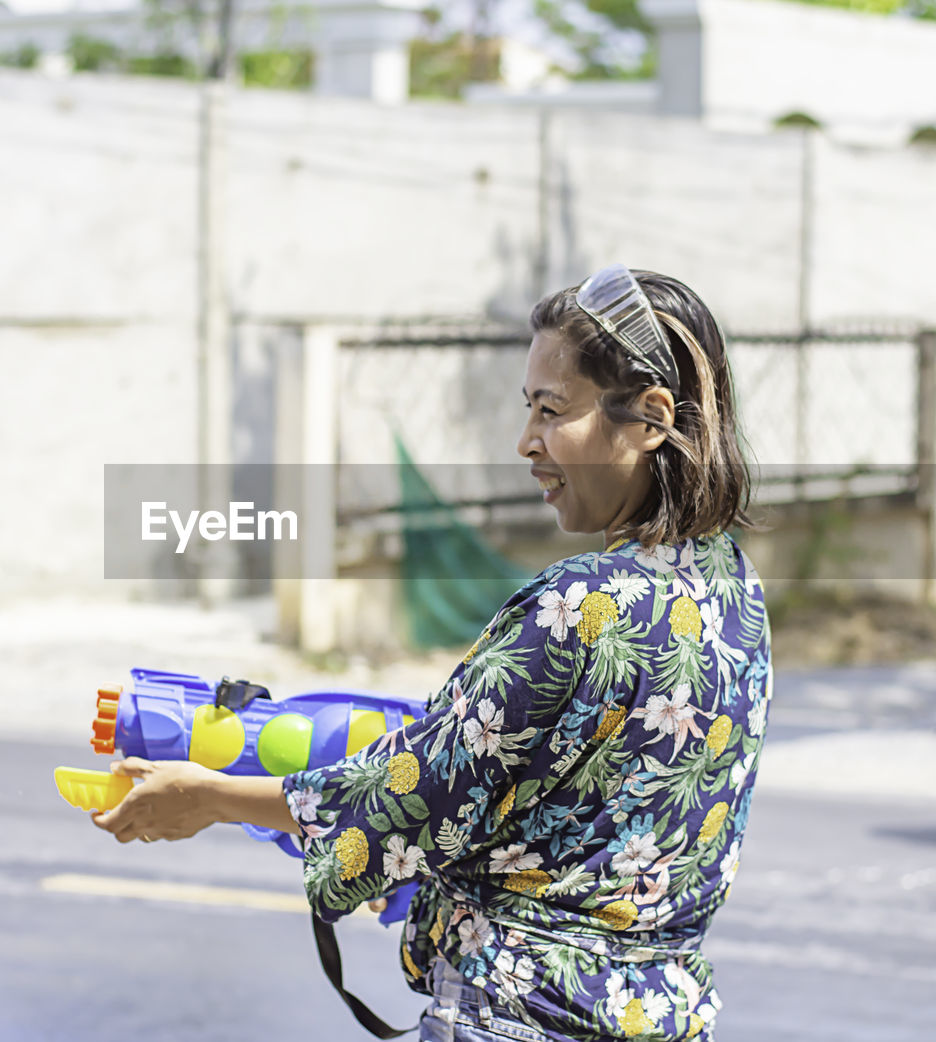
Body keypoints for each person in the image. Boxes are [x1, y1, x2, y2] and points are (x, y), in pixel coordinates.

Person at [92, 264, 771, 1042]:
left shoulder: (581, 606)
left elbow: (407, 798)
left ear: (650, 416)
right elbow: (573, 810)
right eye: (529, 411)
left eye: (552, 411)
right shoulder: (734, 592)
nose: (528, 442)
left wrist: (206, 797)